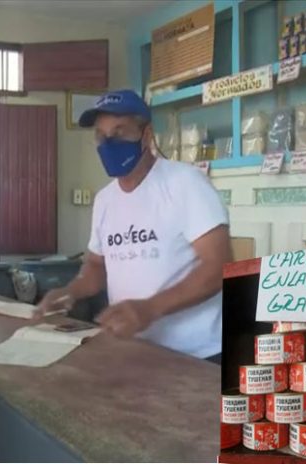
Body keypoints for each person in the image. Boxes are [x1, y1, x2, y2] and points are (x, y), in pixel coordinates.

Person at [37, 89, 231, 364]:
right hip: (134, 350)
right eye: (101, 135)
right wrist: (71, 291)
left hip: (197, 355)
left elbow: (219, 267)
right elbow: (96, 266)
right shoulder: (105, 200)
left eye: (119, 133)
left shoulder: (185, 183)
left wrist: (150, 309)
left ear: (146, 135)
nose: (108, 143)